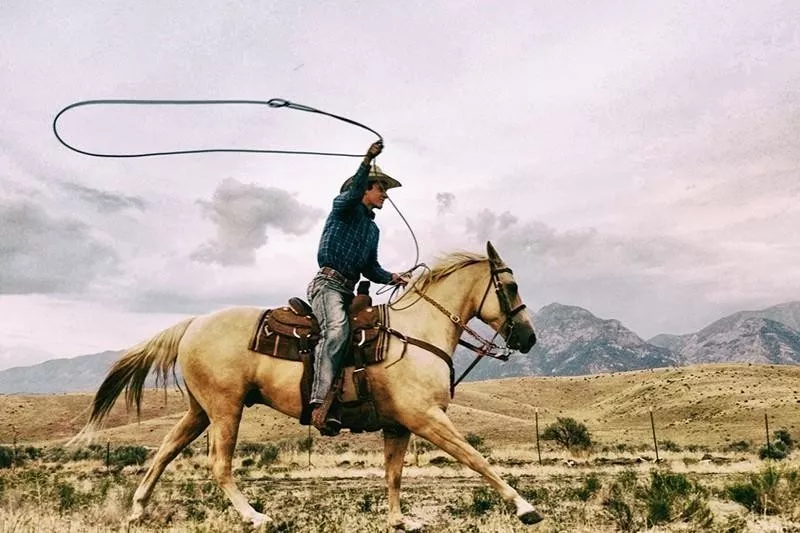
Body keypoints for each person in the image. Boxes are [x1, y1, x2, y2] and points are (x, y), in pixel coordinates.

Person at [308, 140, 407, 433]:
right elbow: (350, 195)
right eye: (381, 190)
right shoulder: (343, 208)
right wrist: (367, 160)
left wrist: (393, 277)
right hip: (327, 284)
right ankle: (319, 398)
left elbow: (370, 268)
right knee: (336, 330)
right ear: (365, 189)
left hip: (348, 290)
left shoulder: (372, 229)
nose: (385, 196)